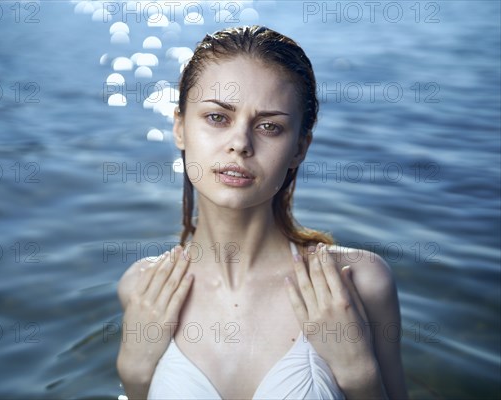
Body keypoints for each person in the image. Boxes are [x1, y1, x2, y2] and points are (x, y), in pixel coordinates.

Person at [116, 25, 407, 399]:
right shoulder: (142, 289)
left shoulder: (360, 283)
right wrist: (134, 374)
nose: (240, 144)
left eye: (270, 126)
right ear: (179, 127)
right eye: (217, 117)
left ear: (300, 147)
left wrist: (359, 374)